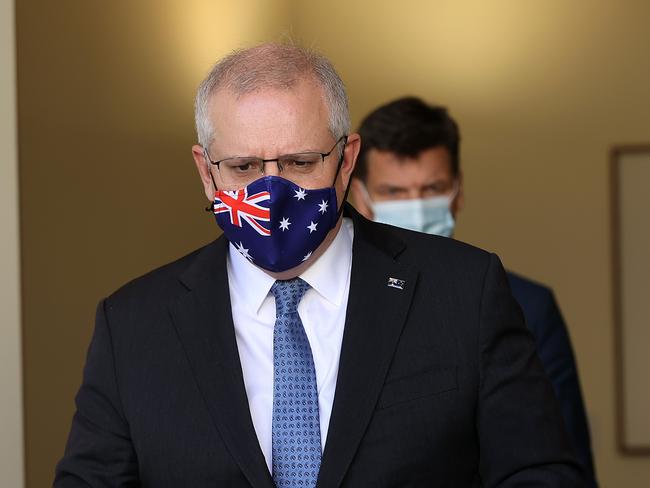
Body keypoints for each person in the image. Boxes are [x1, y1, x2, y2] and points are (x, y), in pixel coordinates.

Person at [54, 45, 586, 487]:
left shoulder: (463, 291)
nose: (273, 190)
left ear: (347, 158)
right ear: (206, 171)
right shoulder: (133, 326)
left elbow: (539, 474)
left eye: (300, 163)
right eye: (242, 168)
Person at [350, 96, 597, 486]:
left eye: (432, 188)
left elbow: (558, 467)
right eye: (395, 192)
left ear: (457, 191)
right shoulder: (329, 302)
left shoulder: (528, 307)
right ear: (360, 197)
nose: (416, 208)